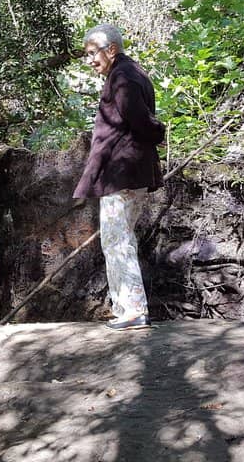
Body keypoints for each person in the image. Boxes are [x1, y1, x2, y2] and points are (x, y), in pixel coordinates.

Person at [72, 24, 165, 331]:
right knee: (120, 239)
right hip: (128, 173)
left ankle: (133, 310)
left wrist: (157, 132)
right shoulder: (129, 72)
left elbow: (140, 120)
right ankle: (126, 307)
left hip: (123, 174)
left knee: (117, 241)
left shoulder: (124, 77)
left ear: (111, 49)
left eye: (92, 54)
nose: (90, 61)